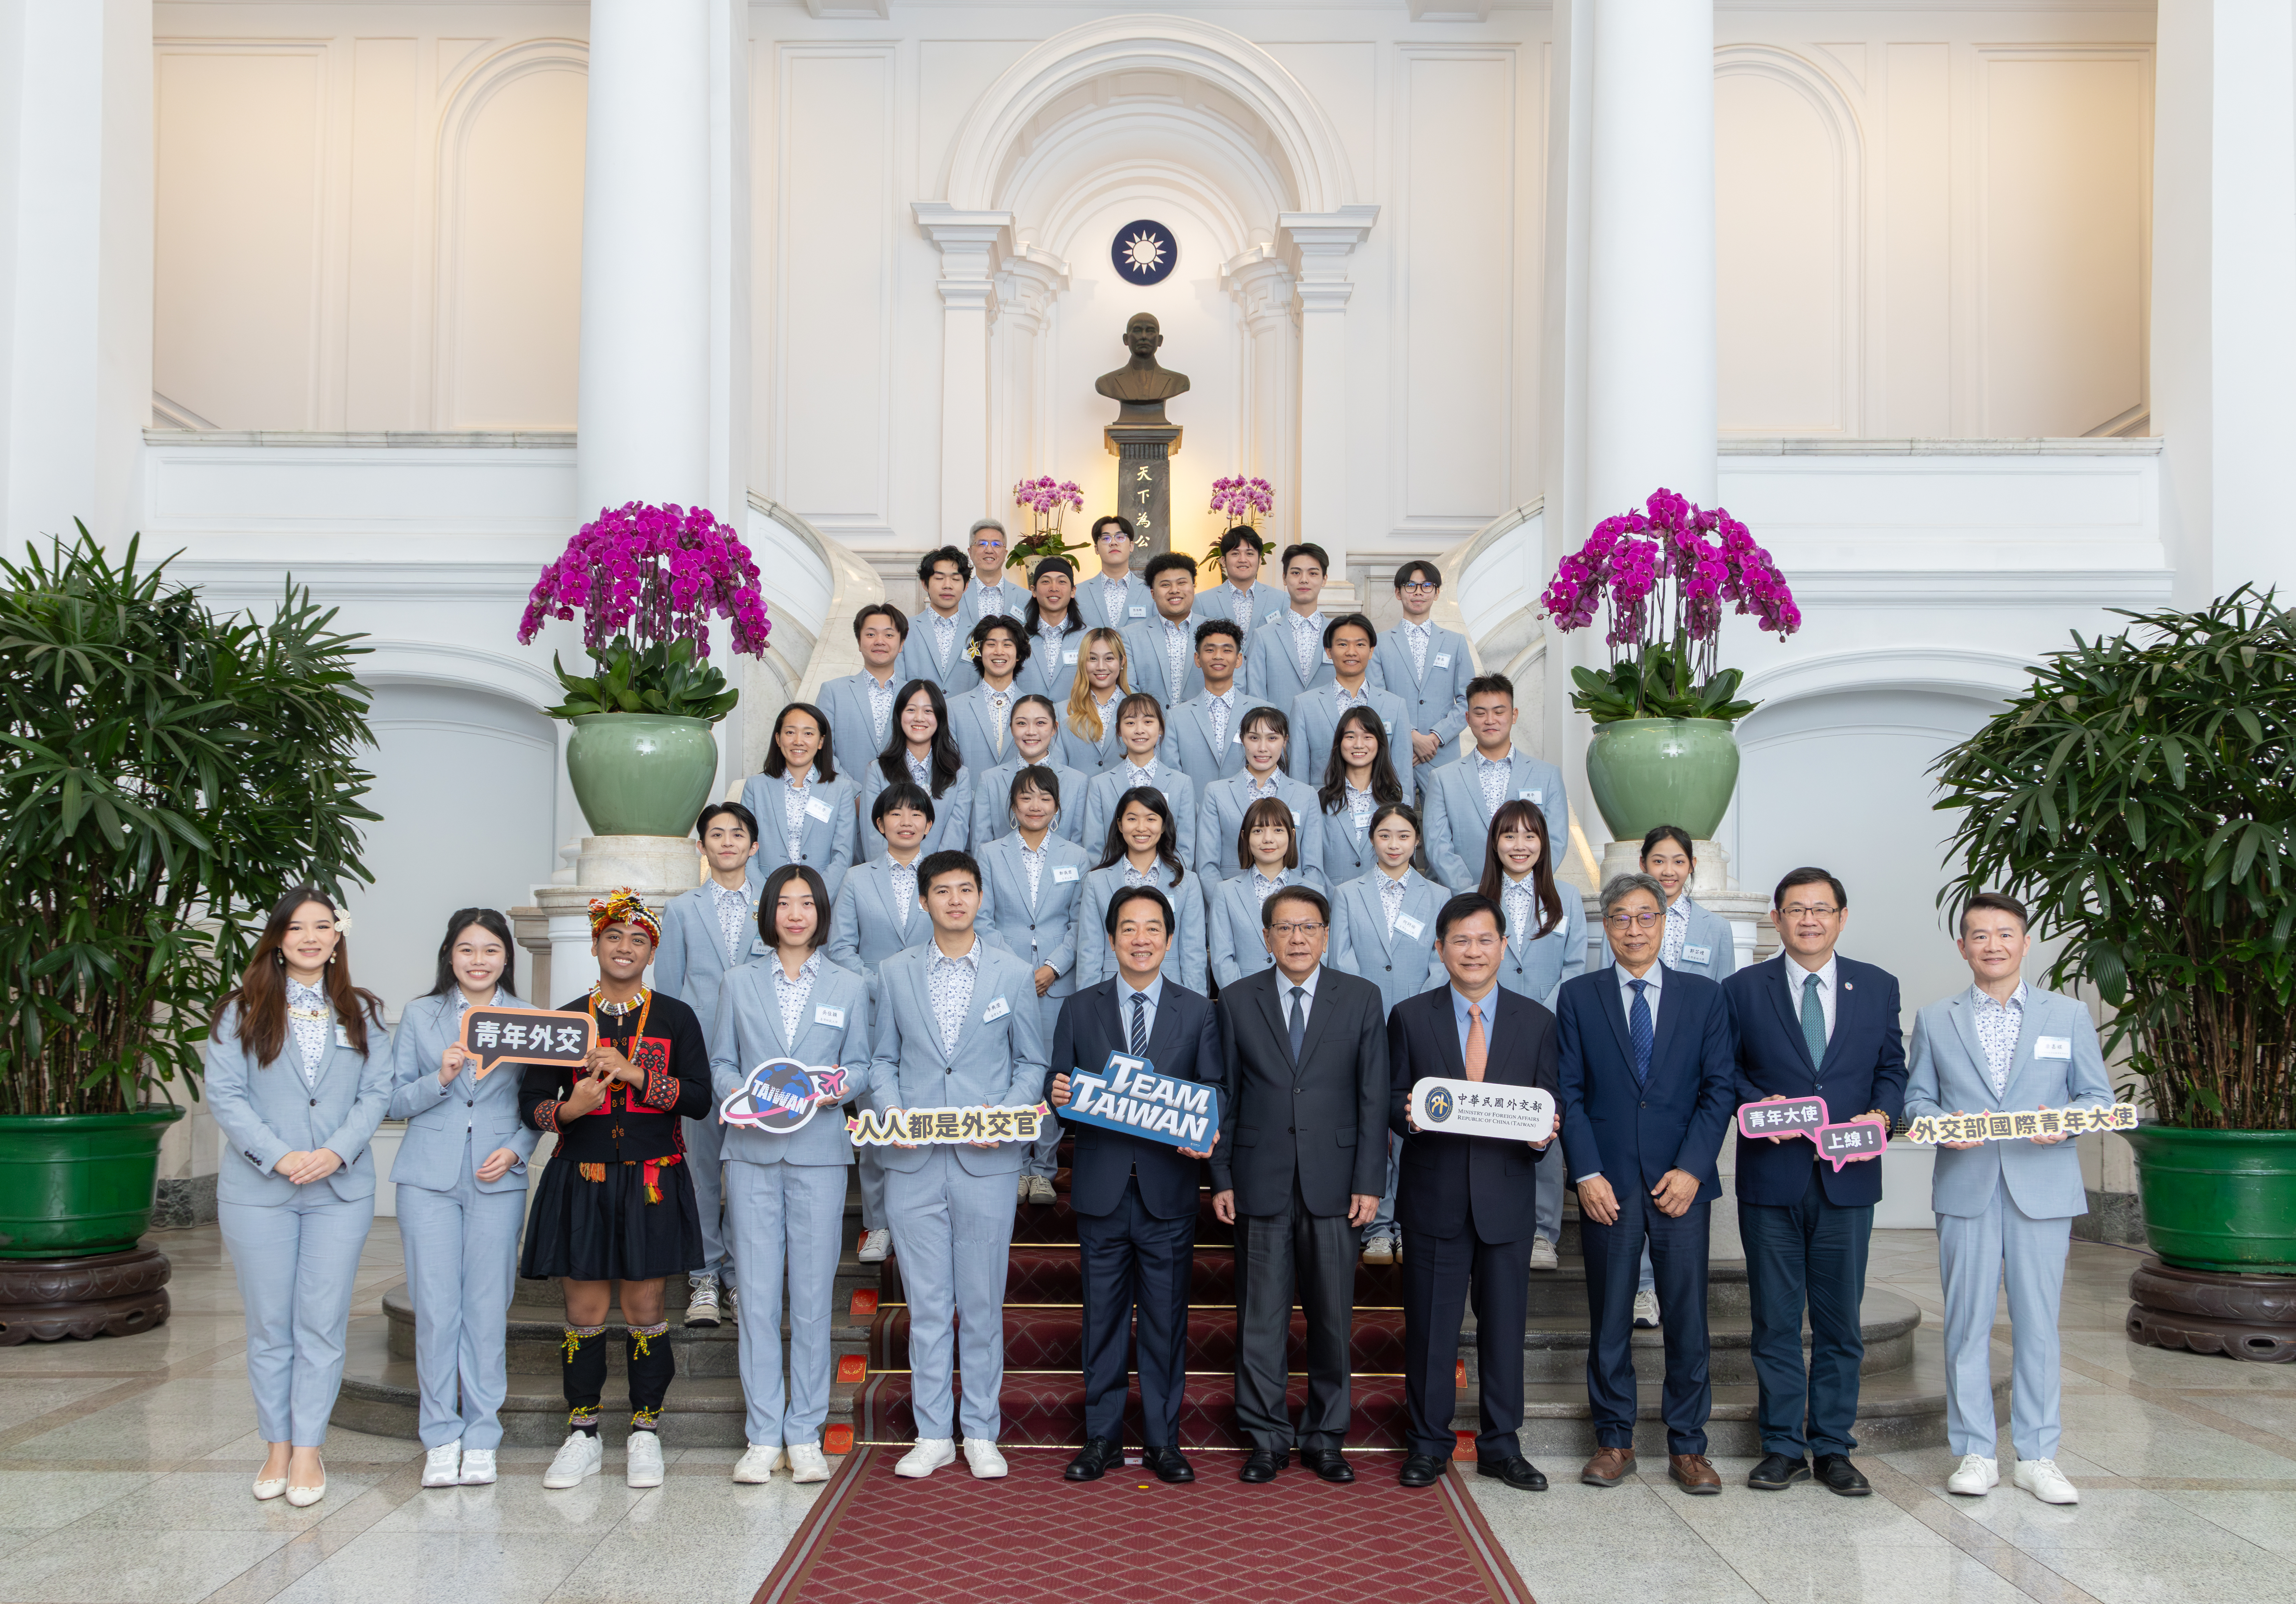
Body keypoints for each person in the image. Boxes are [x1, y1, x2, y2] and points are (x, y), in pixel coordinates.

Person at [1905, 891, 2109, 1508]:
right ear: (1962, 945)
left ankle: (2038, 1455)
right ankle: (1974, 1450)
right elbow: (1916, 1102)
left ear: (2025, 941)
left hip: (2041, 1187)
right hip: (1966, 1187)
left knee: (2038, 1325)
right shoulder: (1936, 1018)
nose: (1991, 944)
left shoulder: (2067, 1015)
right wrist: (1943, 1122)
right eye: (1978, 934)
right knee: (1965, 1323)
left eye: (2004, 933)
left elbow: (2095, 1097)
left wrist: (2066, 1122)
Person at [205, 888, 393, 1508]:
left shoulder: (363, 1011)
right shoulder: (242, 1009)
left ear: (338, 937)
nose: (310, 937)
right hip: (261, 1189)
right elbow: (228, 1096)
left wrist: (335, 1151)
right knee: (270, 1324)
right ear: (278, 938)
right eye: (297, 927)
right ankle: (276, 1443)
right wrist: (280, 1154)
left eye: (323, 926)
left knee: (322, 1319)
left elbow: (376, 1092)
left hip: (339, 1188)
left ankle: (309, 1445)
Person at [520, 889, 713, 1493]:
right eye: (613, 937)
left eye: (637, 939)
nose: (624, 947)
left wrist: (637, 1074)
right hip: (582, 1177)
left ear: (651, 950)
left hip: (653, 1179)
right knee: (583, 1311)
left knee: (646, 1308)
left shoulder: (675, 1016)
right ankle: (581, 1431)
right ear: (597, 944)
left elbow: (701, 1098)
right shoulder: (567, 1019)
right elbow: (531, 1104)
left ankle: (645, 1429)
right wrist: (570, 1108)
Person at [866, 849, 1048, 1479]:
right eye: (941, 890)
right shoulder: (892, 972)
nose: (954, 899)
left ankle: (981, 1430)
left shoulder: (1012, 972)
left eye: (965, 889)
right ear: (923, 901)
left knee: (980, 1302)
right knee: (926, 1302)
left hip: (986, 1161)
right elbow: (880, 1060)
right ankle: (933, 1431)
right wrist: (893, 1115)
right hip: (913, 1161)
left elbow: (1032, 1063)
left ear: (979, 897)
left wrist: (1004, 1114)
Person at [1725, 867, 1906, 1497]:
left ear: (1842, 917)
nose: (1809, 919)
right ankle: (1781, 1446)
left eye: (1821, 909)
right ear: (1775, 919)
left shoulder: (1878, 986)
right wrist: (1757, 1101)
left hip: (1848, 1177)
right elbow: (1726, 1074)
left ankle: (1832, 1445)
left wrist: (1882, 1115)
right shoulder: (1742, 988)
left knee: (1839, 1323)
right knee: (1774, 1319)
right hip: (1771, 1178)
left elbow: (1892, 1069)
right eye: (1796, 909)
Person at [1557, 872, 1736, 1495]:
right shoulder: (1578, 996)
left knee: (1687, 1314)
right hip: (1607, 1181)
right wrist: (1585, 1172)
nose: (1634, 929)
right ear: (1605, 927)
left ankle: (1689, 1445)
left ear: (1664, 923)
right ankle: (1614, 1438)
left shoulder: (1705, 996)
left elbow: (1720, 1091)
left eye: (1645, 916)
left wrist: (1691, 1167)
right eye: (1620, 918)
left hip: (1680, 1181)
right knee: (1609, 1313)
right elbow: (1570, 1094)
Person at [1211, 884, 1388, 1484]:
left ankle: (1325, 1435)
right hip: (1259, 1180)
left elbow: (1372, 1096)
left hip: (1337, 1183)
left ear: (1327, 934)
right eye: (1284, 928)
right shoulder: (1236, 1000)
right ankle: (1265, 1437)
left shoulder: (1362, 998)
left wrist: (1370, 1179)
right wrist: (1221, 1175)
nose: (1296, 938)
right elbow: (1223, 1096)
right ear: (1265, 938)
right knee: (1261, 1318)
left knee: (1333, 1316)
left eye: (1308, 927)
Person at [1048, 884, 1222, 1486]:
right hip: (1100, 1190)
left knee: (1166, 1321)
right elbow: (1060, 1087)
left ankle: (1161, 1440)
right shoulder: (1079, 1007)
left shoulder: (1198, 1009)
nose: (1141, 938)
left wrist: (1206, 1124)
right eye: (1129, 927)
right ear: (1112, 936)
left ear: (1170, 939)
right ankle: (1099, 1438)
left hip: (1167, 1190)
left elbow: (1215, 1089)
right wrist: (1059, 1094)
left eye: (1152, 928)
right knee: (1101, 1319)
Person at [1388, 893, 1560, 1493]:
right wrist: (1406, 1113)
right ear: (1439, 948)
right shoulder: (1410, 1016)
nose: (1473, 950)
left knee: (1504, 1329)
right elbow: (1389, 1098)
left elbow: (1546, 1107)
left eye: (1484, 939)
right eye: (1459, 940)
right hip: (1434, 1197)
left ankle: (1501, 1445)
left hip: (1506, 1200)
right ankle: (1427, 1442)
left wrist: (1543, 1137)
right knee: (1431, 1328)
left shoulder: (1536, 1021)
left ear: (1503, 946)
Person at [710, 864, 872, 1486]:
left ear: (821, 911)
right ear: (770, 911)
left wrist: (830, 1088)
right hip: (750, 1152)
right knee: (755, 1298)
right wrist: (746, 1095)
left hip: (819, 1153)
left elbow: (859, 1064)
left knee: (809, 1300)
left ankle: (803, 1432)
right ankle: (761, 1434)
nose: (796, 913)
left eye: (807, 903)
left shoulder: (849, 984)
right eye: (785, 902)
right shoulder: (737, 981)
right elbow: (723, 1059)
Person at [389, 909, 537, 1491]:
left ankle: (482, 1436)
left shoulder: (529, 1019)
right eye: (467, 949)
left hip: (497, 1174)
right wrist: (440, 1077)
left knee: (485, 1308)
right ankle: (440, 1435)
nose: (479, 959)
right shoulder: (421, 1015)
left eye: (491, 950)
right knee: (435, 1308)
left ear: (507, 957)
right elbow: (393, 1100)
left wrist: (519, 1148)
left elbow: (537, 1102)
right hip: (427, 1176)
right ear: (449, 955)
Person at [828, 782, 956, 1265]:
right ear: (879, 824)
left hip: (936, 1013)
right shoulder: (857, 879)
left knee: (928, 1114)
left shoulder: (946, 875)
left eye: (916, 812)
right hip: (873, 1012)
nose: (906, 820)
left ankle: (930, 1218)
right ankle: (878, 1224)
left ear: (929, 822)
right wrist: (884, 983)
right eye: (895, 813)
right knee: (877, 1120)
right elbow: (841, 948)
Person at [652, 802, 766, 1330]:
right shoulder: (680, 910)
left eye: (736, 834)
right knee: (699, 1171)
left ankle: (742, 1276)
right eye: (716, 834)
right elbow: (670, 994)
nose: (727, 842)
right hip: (697, 1061)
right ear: (701, 847)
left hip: (759, 1060)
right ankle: (703, 1275)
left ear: (754, 845)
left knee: (748, 1172)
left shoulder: (777, 901)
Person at [1331, 802, 1445, 1266]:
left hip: (1419, 1023)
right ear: (1371, 839)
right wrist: (1368, 1010)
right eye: (1384, 835)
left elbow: (1443, 959)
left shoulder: (1439, 895)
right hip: (1362, 1021)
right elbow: (1340, 958)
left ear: (1416, 839)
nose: (1394, 844)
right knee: (1372, 1121)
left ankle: (1408, 1219)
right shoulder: (1346, 893)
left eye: (1403, 835)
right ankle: (1377, 1225)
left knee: (1412, 1119)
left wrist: (1414, 1012)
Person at [1476, 800, 1587, 1273]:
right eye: (1509, 835)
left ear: (1544, 843)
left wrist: (1538, 1016)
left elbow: (1576, 967)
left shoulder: (1567, 897)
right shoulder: (1475, 897)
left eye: (1529, 836)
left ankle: (1543, 1231)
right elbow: (1468, 961)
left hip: (1549, 1030)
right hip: (1486, 1028)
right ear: (1494, 843)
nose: (1519, 845)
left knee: (1544, 1124)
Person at [976, 765, 1095, 1203]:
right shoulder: (989, 854)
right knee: (1008, 1071)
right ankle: (1012, 1161)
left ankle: (1042, 1166)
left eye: (1044, 798)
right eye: (1026, 797)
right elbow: (982, 918)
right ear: (1013, 806)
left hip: (1056, 985)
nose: (1035, 805)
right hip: (1002, 983)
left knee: (1050, 1073)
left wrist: (1051, 967)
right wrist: (1014, 968)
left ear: (1057, 806)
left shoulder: (1076, 856)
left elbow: (1080, 923)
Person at [1423, 675, 1570, 894]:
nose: (1490, 720)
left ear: (1514, 715)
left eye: (1499, 712)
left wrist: (1521, 886)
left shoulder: (1547, 776)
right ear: (1468, 718)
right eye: (1480, 713)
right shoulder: (1443, 779)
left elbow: (1555, 841)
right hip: (1464, 901)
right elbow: (1438, 847)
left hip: (1527, 895)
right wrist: (1472, 895)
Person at [1076, 787, 1208, 994]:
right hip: (1111, 991)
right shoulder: (1096, 881)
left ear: (1164, 826)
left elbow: (1194, 954)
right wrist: (1090, 1006)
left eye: (1151, 819)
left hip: (1172, 991)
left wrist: (1195, 1009)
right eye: (1132, 819)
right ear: (1120, 825)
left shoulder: (1188, 883)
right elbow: (1089, 953)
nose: (1141, 828)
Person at [1370, 560, 1473, 799]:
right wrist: (1412, 738)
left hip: (1442, 755)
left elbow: (1469, 701)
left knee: (1441, 829)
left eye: (1427, 586)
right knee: (1394, 825)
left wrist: (1435, 738)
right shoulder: (1379, 643)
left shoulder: (1455, 642)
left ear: (1437, 593)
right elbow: (1377, 698)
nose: (1418, 592)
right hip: (1395, 754)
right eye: (1410, 586)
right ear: (1398, 593)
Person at [741, 700, 858, 905]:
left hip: (822, 899)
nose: (798, 741)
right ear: (778, 739)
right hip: (766, 896)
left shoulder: (841, 789)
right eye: (790, 733)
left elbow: (843, 855)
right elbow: (747, 849)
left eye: (808, 734)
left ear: (821, 742)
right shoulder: (756, 787)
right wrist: (768, 899)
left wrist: (815, 901)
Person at [1197, 705, 1325, 891]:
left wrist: (1296, 911)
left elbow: (1313, 868)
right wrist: (1230, 905)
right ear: (1242, 740)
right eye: (1254, 738)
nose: (1263, 748)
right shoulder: (1216, 793)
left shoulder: (1306, 795)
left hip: (1293, 908)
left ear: (1285, 741)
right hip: (1234, 906)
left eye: (1272, 738)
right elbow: (1207, 867)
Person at [858, 680, 972, 862]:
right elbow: (872, 836)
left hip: (938, 880)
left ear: (940, 718)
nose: (919, 718)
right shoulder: (877, 771)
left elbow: (956, 833)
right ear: (899, 715)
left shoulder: (959, 775)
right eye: (911, 710)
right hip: (888, 879)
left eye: (928, 711)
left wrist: (935, 878)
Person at [1080, 692, 1196, 870]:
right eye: (1130, 723)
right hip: (1115, 888)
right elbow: (1095, 849)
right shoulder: (1100, 785)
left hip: (1167, 888)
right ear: (1119, 730)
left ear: (1161, 729)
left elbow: (1185, 849)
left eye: (1148, 722)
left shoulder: (1181, 784)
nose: (1139, 730)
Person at [1288, 614, 1407, 786]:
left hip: (1380, 809)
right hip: (1323, 808)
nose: (1351, 652)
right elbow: (1298, 773)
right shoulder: (1304, 706)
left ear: (1371, 651)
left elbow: (1401, 775)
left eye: (1360, 645)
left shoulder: (1395, 706)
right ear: (1328, 651)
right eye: (1343, 644)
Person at [968, 692, 1089, 852]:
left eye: (1041, 723)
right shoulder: (990, 780)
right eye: (1022, 724)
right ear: (1011, 728)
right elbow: (980, 847)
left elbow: (1079, 848)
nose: (1031, 732)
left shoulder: (1078, 782)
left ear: (1054, 729)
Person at [1209, 797, 1309, 989]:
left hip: (1299, 997)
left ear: (1293, 835)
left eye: (1278, 830)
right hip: (1243, 998)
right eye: (1258, 831)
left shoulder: (1312, 891)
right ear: (1245, 837)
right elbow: (1222, 959)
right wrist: (1242, 1001)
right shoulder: (1225, 892)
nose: (1268, 839)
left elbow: (1318, 954)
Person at [1615, 826, 1738, 982]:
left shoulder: (1718, 928)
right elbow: (1608, 986)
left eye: (1679, 862)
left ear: (1692, 865)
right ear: (1643, 863)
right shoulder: (1620, 921)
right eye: (1659, 861)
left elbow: (1724, 992)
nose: (1669, 871)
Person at [1167, 618, 1272, 791]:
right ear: (1198, 659)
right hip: (1195, 814)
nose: (1218, 656)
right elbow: (1173, 779)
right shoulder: (1176, 718)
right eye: (1210, 650)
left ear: (1239, 660)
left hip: (1252, 814)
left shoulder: (1264, 712)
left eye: (1227, 650)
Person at [1314, 703, 1408, 887]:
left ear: (1379, 743)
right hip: (1331, 902)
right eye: (1350, 737)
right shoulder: (1320, 800)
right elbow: (1312, 862)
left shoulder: (1398, 801)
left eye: (1368, 737)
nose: (1359, 744)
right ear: (1339, 743)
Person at [819, 604, 909, 792]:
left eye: (889, 635)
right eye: (871, 634)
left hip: (904, 807)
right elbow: (823, 752)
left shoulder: (915, 694)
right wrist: (855, 795)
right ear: (859, 642)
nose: (880, 641)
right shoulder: (833, 692)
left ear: (901, 644)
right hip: (848, 804)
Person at [1241, 542, 1335, 707]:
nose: (1304, 580)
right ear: (1284, 578)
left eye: (1313, 573)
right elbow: (1257, 697)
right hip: (1278, 730)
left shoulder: (1338, 635)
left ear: (1324, 579)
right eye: (1296, 573)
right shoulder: (1263, 637)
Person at [947, 615, 1032, 776]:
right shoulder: (953, 709)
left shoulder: (1035, 708)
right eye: (991, 645)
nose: (999, 652)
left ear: (1019, 654)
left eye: (1007, 645)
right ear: (978, 652)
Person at [1122, 550, 1205, 709]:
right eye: (1166, 585)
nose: (1175, 590)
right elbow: (1128, 689)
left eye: (1182, 583)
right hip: (1150, 729)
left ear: (1194, 587)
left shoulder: (1215, 633)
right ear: (1153, 594)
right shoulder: (1130, 637)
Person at [895, 546, 981, 696]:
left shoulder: (979, 632)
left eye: (955, 579)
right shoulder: (905, 629)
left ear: (966, 585)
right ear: (925, 583)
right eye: (939, 578)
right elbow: (898, 682)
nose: (947, 585)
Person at [1058, 627, 1134, 774]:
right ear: (1082, 662)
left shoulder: (1139, 710)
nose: (1101, 667)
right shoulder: (1061, 712)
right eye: (1093, 659)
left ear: (1122, 661)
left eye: (1109, 659)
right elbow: (1058, 770)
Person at [1193, 526, 1286, 638]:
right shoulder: (1202, 602)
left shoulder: (1282, 601)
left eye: (1250, 554)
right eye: (1235, 554)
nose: (1243, 560)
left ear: (1260, 560)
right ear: (1224, 561)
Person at [1018, 556, 1086, 706]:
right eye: (1046, 581)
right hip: (1029, 724)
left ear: (1073, 591)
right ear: (1034, 591)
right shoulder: (1017, 637)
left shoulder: (1090, 638)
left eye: (1062, 581)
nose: (1054, 588)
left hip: (1076, 723)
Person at [1074, 515, 1149, 631]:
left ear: (1131, 546)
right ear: (1096, 549)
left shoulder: (1150, 592)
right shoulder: (1078, 593)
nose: (1113, 543)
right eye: (1106, 538)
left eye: (1120, 537)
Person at [955, 518, 1022, 627]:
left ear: (1005, 554)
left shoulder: (1025, 598)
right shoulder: (957, 595)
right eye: (982, 544)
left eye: (997, 545)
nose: (989, 550)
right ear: (970, 552)